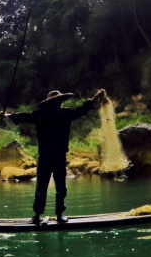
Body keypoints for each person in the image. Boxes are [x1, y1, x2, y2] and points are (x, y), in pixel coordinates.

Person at [7, 89, 107, 225]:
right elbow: (24, 116)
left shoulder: (59, 113)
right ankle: (45, 215)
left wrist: (8, 115)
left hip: (53, 157)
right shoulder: (54, 114)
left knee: (57, 187)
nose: (57, 104)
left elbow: (82, 109)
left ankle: (49, 215)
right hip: (50, 156)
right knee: (46, 187)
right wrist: (8, 115)